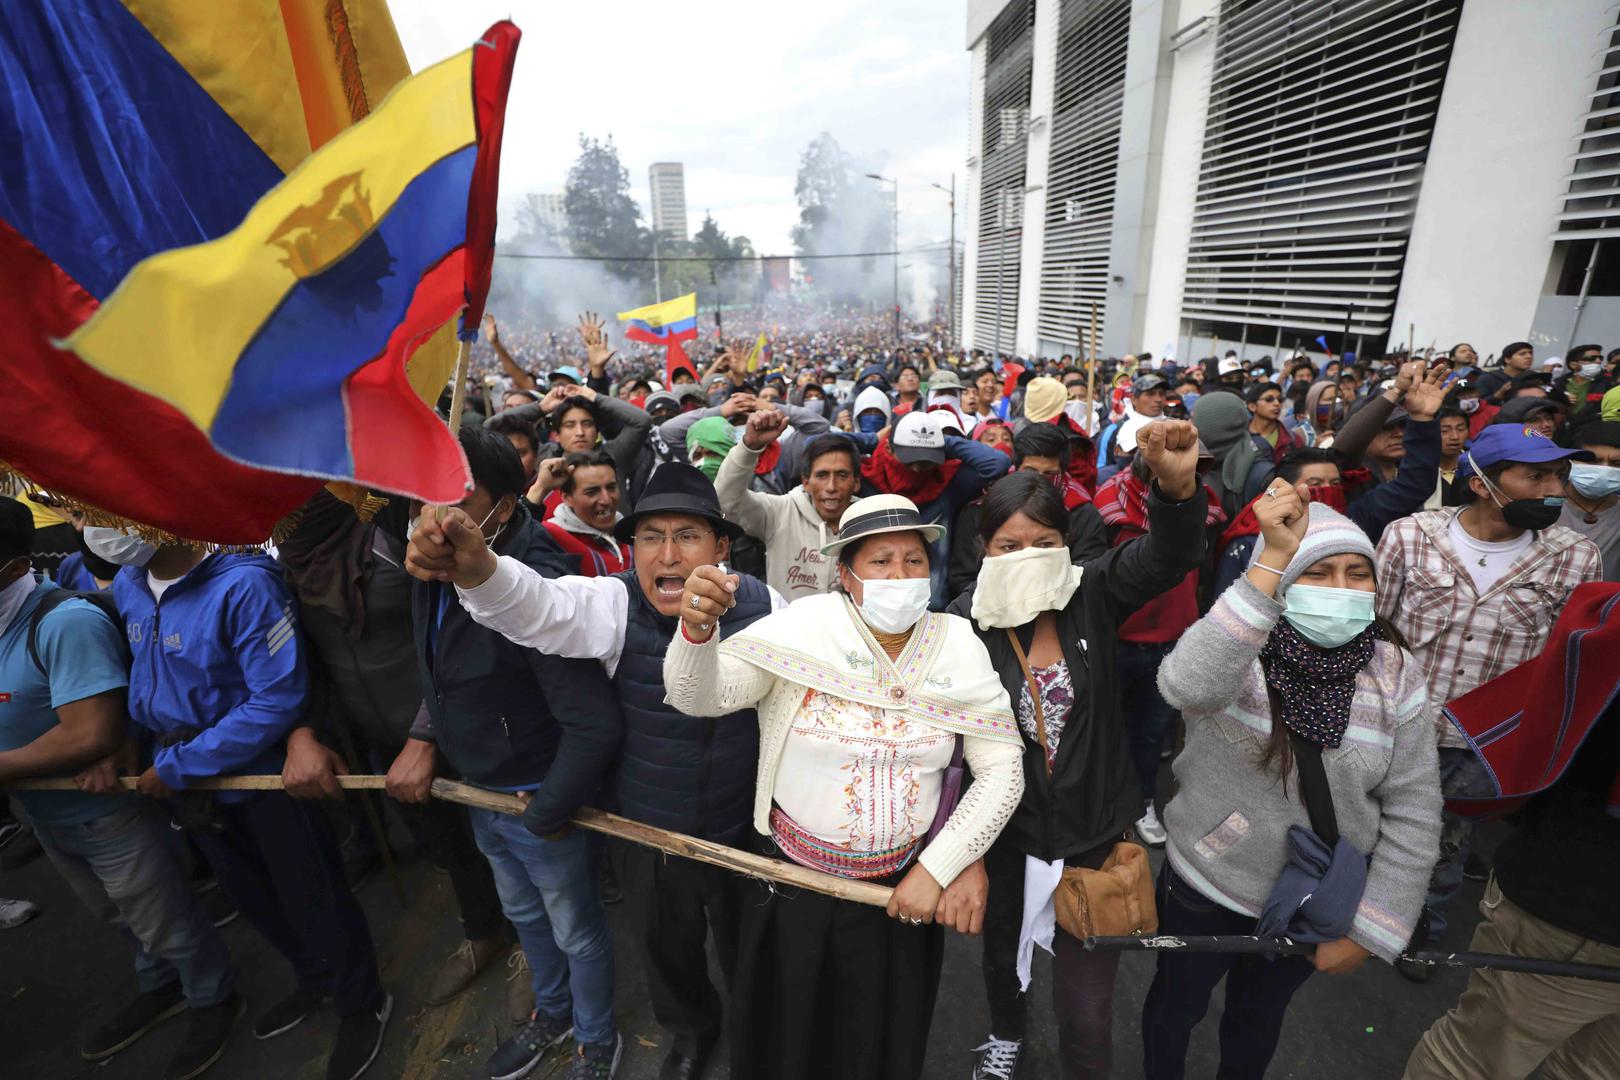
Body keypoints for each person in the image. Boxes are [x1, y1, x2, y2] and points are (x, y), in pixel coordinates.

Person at [406, 463, 781, 1080]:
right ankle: (690, 1035)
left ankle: (759, 1033)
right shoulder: (610, 602)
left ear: (722, 547)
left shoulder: (770, 609)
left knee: (752, 946)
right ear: (632, 551)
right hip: (648, 831)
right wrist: (478, 570)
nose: (669, 554)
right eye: (651, 538)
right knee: (669, 949)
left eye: (687, 536)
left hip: (745, 829)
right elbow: (539, 607)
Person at [664, 494, 1026, 1080]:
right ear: (845, 572)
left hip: (900, 895)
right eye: (881, 561)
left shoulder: (958, 643)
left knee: (876, 1042)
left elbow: (1003, 770)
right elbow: (696, 695)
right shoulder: (802, 629)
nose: (901, 575)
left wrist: (939, 868)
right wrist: (696, 629)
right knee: (790, 1038)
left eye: (913, 561)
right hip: (793, 890)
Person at [1144, 487, 1442, 1080]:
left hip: (1311, 901)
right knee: (1174, 1009)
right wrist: (1266, 568)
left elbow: (1414, 805)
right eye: (1318, 572)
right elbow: (1186, 686)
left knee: (1257, 1023)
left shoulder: (1393, 669)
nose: (1340, 588)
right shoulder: (1241, 647)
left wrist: (1373, 928)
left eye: (1358, 574)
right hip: (1207, 883)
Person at [949, 421, 1211, 1080]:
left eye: (1044, 543)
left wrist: (1176, 490)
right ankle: (1005, 1034)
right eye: (1009, 546)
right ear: (984, 548)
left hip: (1095, 838)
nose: (1028, 556)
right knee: (1003, 964)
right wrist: (959, 855)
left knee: (1089, 1015)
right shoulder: (961, 626)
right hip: (1007, 842)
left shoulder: (1091, 592)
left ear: (1067, 546)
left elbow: (1168, 555)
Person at [101, 533, 390, 1080]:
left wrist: (178, 765)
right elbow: (146, 675)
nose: (97, 527)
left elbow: (275, 699)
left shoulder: (245, 584)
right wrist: (133, 743)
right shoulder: (130, 585)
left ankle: (361, 1000)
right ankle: (315, 980)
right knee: (249, 895)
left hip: (258, 774)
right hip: (188, 784)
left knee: (312, 893)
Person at [392, 428, 625, 1080]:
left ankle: (597, 1039)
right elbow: (440, 668)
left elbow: (592, 726)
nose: (434, 518)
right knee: (525, 915)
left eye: (456, 499)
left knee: (576, 929)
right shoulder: (431, 563)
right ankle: (552, 1016)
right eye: (422, 498)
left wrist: (547, 810)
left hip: (539, 793)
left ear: (504, 504)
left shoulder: (540, 578)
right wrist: (435, 739)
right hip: (482, 790)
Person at [0, 501, 240, 1079]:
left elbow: (92, 733)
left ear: (8, 564)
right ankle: (159, 984)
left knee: (163, 916)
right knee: (120, 915)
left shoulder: (60, 624)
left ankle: (213, 996)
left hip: (102, 812)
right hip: (48, 814)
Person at [274, 489, 517, 1021]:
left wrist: (424, 737)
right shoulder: (288, 563)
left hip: (457, 726)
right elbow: (302, 662)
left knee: (510, 842)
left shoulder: (394, 539)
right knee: (448, 846)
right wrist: (305, 731)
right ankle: (485, 932)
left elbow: (460, 626)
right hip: (380, 740)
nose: (279, 514)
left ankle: (536, 952)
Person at [1375, 424, 1603, 978]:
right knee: (1367, 826)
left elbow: (1561, 664)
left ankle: (1420, 934)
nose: (1554, 488)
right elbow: (1373, 629)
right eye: (1536, 475)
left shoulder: (1575, 559)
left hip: (1476, 745)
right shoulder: (1410, 537)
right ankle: (1352, 915)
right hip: (1392, 726)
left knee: (1445, 850)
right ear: (1481, 483)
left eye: (1558, 475)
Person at [1404, 584, 1620, 1079]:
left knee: (1474, 1060)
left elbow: (1558, 732)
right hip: (1581, 907)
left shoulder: (1606, 616)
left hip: (1578, 906)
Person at [948, 424, 1108, 599]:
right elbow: (963, 578)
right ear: (1016, 468)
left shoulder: (1083, 515)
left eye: (1049, 474)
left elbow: (1087, 575)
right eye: (1030, 472)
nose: (1038, 480)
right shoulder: (981, 510)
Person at [714, 410, 861, 599]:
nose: (831, 487)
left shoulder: (871, 520)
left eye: (841, 475)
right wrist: (749, 447)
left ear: (856, 482)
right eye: (822, 475)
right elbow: (726, 503)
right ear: (806, 482)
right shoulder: (780, 512)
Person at [538, 450, 632, 576]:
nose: (606, 499)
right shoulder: (548, 535)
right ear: (567, 498)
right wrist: (539, 488)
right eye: (592, 492)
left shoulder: (634, 534)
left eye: (611, 487)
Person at [1559, 421, 1620, 580]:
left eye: (1616, 463)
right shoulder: (1540, 508)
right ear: (1568, 462)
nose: (1604, 470)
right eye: (1592, 461)